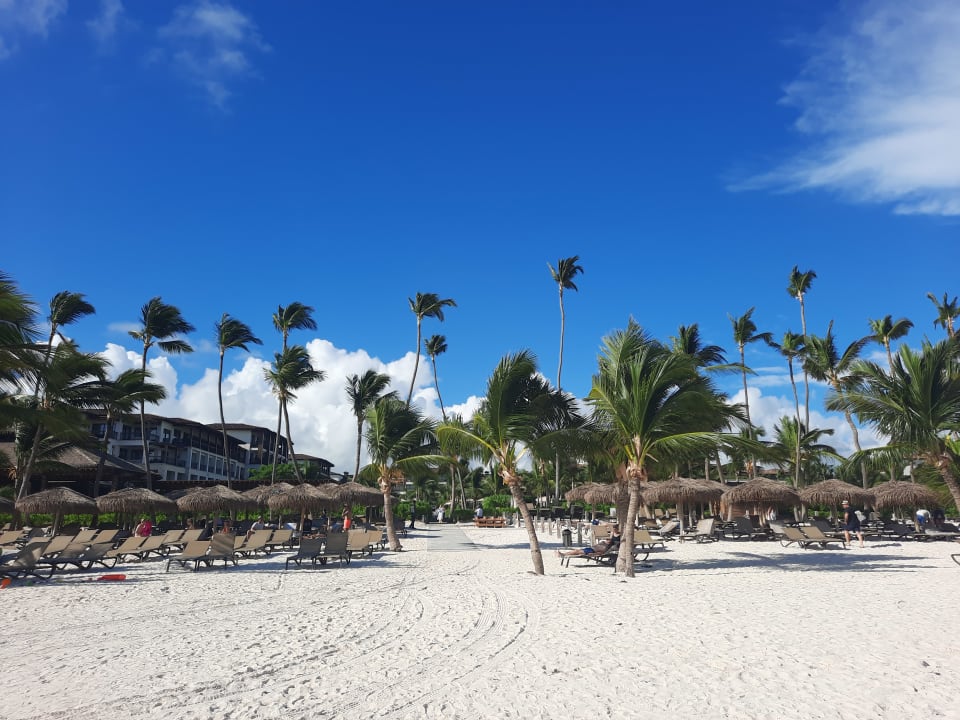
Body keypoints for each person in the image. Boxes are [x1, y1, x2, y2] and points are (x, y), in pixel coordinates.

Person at [557, 527, 621, 559]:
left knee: (577, 551)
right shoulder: (606, 544)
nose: (607, 540)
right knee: (577, 551)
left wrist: (594, 554)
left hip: (592, 550)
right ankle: (564, 554)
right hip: (591, 548)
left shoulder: (607, 547)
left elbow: (601, 553)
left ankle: (564, 554)